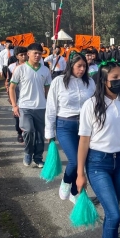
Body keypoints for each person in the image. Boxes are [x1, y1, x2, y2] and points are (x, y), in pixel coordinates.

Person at [76, 60, 120, 238]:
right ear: (103, 81)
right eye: (115, 77)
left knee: (111, 212)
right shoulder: (90, 105)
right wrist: (80, 174)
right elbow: (84, 141)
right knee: (115, 214)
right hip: (98, 164)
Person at [45, 53, 95, 203]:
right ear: (71, 65)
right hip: (65, 125)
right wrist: (50, 131)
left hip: (86, 127)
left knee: (84, 161)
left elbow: (96, 104)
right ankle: (66, 182)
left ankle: (74, 192)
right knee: (74, 160)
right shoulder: (59, 82)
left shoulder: (90, 82)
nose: (82, 69)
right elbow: (51, 107)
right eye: (79, 66)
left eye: (84, 66)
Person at [10, 43, 52, 168]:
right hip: (25, 106)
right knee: (28, 131)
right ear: (28, 54)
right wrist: (14, 105)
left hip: (41, 107)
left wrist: (49, 104)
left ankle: (38, 158)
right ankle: (28, 153)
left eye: (40, 53)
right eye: (35, 53)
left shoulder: (45, 70)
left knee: (40, 135)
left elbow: (47, 88)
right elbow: (12, 88)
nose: (38, 56)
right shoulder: (20, 69)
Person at [6, 46, 28, 143]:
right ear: (16, 56)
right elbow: (8, 82)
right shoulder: (11, 67)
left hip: (28, 93)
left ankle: (28, 133)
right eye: (21, 55)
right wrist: (10, 97)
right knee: (17, 114)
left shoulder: (32, 66)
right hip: (16, 92)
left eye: (25, 54)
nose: (24, 57)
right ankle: (19, 133)